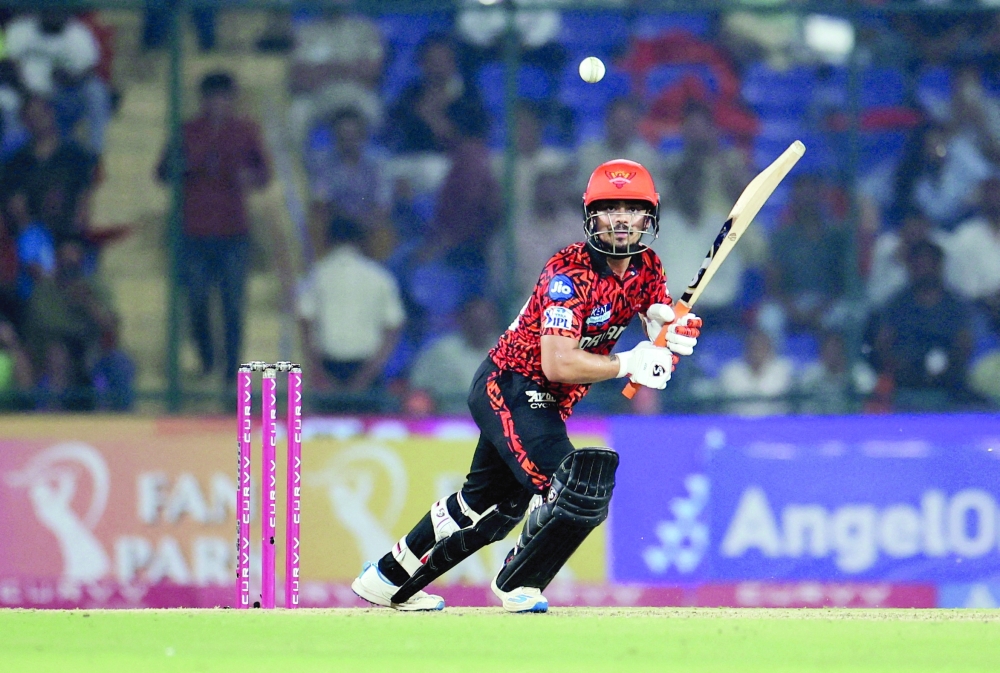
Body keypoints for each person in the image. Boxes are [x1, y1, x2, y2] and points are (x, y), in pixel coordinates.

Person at [350, 160, 702, 613]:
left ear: (648, 218)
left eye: (631, 209)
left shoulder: (647, 265)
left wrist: (668, 328)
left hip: (544, 401)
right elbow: (557, 364)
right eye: (608, 208)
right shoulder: (568, 276)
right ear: (590, 216)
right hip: (511, 385)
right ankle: (520, 578)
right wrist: (630, 362)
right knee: (578, 481)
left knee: (483, 507)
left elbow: (654, 309)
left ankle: (387, 578)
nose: (619, 219)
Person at [156, 71, 271, 382]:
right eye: (212, 97)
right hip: (193, 230)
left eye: (224, 97)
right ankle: (207, 357)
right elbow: (163, 172)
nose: (218, 104)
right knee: (196, 300)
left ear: (232, 100)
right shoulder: (187, 131)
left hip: (234, 231)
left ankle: (232, 370)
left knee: (233, 305)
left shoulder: (245, 131)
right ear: (202, 100)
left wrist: (249, 178)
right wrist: (185, 168)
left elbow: (264, 174)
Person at [297, 216, 405, 395]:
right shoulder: (380, 277)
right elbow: (393, 329)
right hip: (368, 370)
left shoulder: (316, 275)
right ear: (361, 240)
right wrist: (366, 377)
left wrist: (318, 373)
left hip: (327, 368)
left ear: (328, 240)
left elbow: (305, 324)